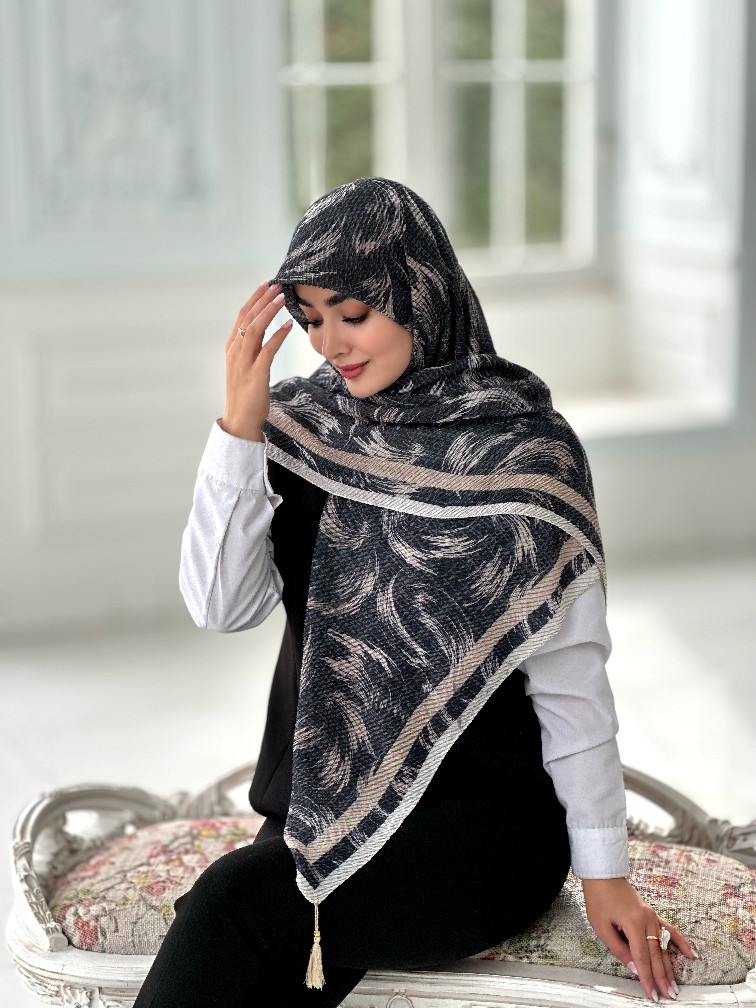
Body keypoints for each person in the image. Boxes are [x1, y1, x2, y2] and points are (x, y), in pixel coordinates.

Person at [134, 177, 695, 1008]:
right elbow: (223, 607)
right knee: (247, 949)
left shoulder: (525, 451)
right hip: (323, 809)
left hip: (480, 833)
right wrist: (239, 433)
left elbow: (573, 686)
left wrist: (605, 873)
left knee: (228, 908)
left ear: (420, 294)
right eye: (310, 318)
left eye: (353, 313)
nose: (330, 344)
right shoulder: (300, 429)